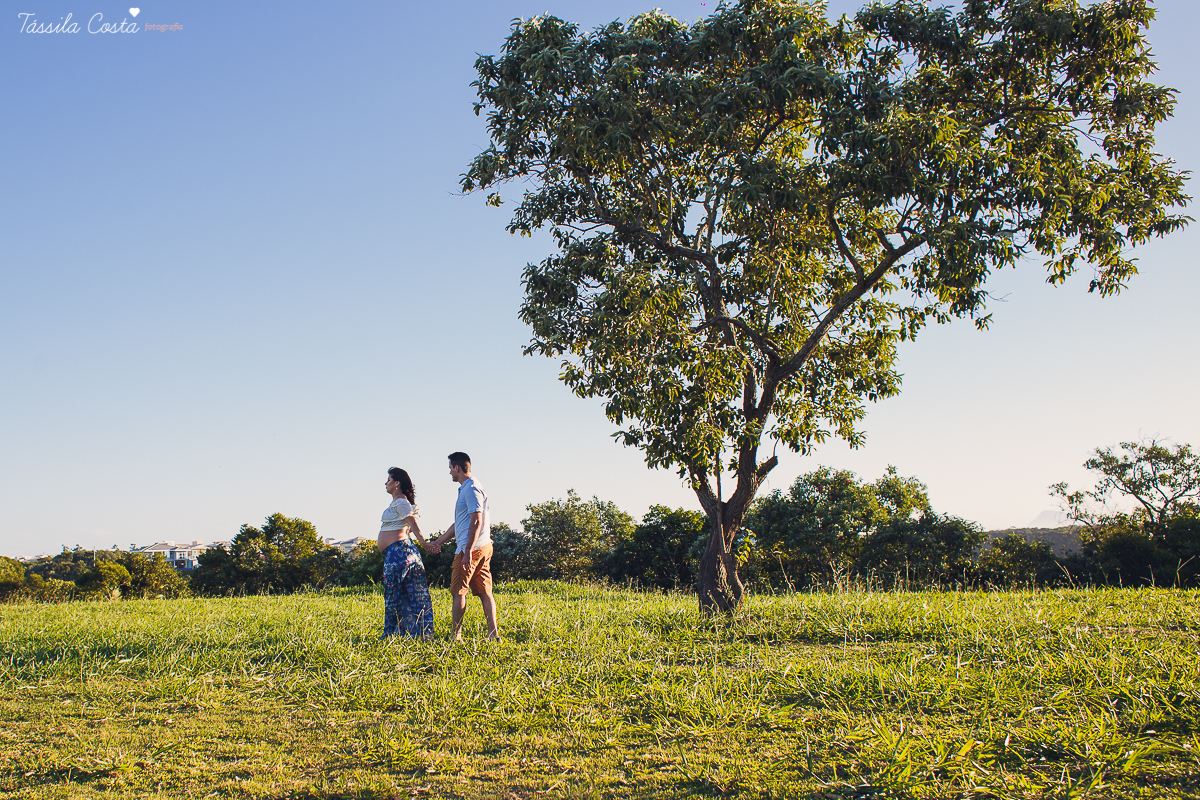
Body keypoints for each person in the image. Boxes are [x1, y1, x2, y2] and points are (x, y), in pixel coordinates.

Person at [431, 452, 499, 641]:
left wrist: (467, 551)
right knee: (485, 592)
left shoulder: (471, 489)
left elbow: (476, 521)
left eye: (450, 469)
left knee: (458, 591)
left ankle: (456, 635)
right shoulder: (469, 488)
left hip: (471, 549)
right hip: (481, 546)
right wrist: (439, 542)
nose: (450, 473)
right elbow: (459, 523)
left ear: (457, 468)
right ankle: (493, 635)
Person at [377, 467, 436, 640]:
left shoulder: (401, 502)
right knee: (414, 594)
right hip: (406, 551)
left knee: (393, 594)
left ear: (397, 483)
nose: (385, 483)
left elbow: (411, 520)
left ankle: (390, 635)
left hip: (398, 553)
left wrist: (424, 542)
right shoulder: (400, 503)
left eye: (388, 480)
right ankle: (421, 634)